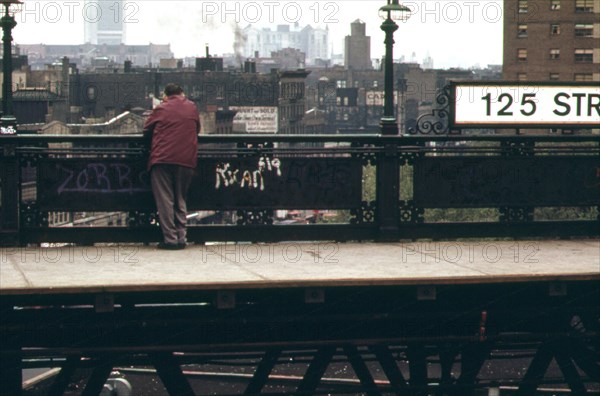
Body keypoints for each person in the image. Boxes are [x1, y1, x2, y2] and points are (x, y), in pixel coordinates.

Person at [143, 83, 199, 250]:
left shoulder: (161, 108)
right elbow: (197, 129)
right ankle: (182, 237)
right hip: (186, 160)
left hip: (163, 159)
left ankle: (170, 240)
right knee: (180, 199)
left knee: (165, 201)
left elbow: (147, 130)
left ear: (165, 95)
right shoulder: (192, 107)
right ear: (182, 94)